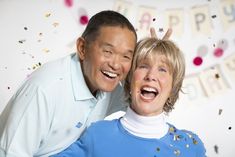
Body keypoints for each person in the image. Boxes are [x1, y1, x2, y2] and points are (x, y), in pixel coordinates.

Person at [0, 10, 172, 157]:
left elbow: (144, 96)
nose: (115, 64)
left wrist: (154, 55)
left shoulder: (111, 85)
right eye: (108, 51)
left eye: (126, 56)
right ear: (82, 48)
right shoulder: (44, 90)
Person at [51, 37, 206, 157]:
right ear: (130, 77)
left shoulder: (190, 146)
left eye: (162, 69)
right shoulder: (98, 135)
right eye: (143, 66)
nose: (151, 76)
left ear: (173, 86)